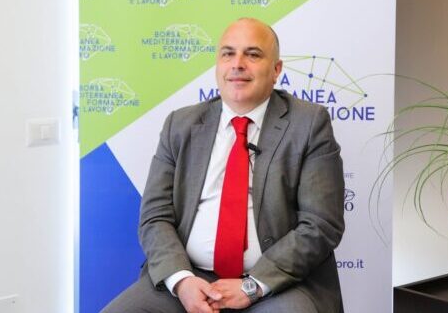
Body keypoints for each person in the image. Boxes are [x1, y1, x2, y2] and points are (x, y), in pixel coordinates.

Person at [102, 18, 345, 313]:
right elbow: (155, 216)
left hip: (277, 282)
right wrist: (182, 281)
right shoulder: (180, 125)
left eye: (252, 54)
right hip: (191, 276)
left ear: (276, 70)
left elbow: (321, 224)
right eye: (228, 53)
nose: (237, 64)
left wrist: (252, 286)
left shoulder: (309, 124)